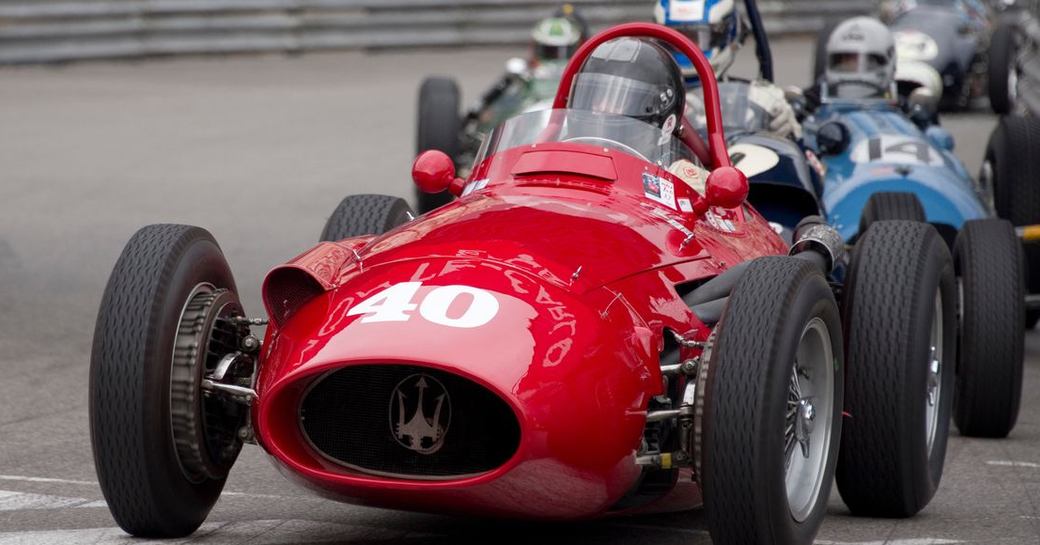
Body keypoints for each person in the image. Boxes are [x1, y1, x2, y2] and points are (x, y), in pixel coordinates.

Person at [568, 36, 711, 192]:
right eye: (593, 95)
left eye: (617, 100)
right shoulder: (561, 154)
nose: (599, 108)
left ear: (667, 124)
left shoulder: (685, 180)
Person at [654, 0, 801, 140]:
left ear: (724, 35)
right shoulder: (646, 95)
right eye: (675, 38)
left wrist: (786, 136)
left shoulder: (759, 99)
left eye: (696, 38)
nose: (686, 48)